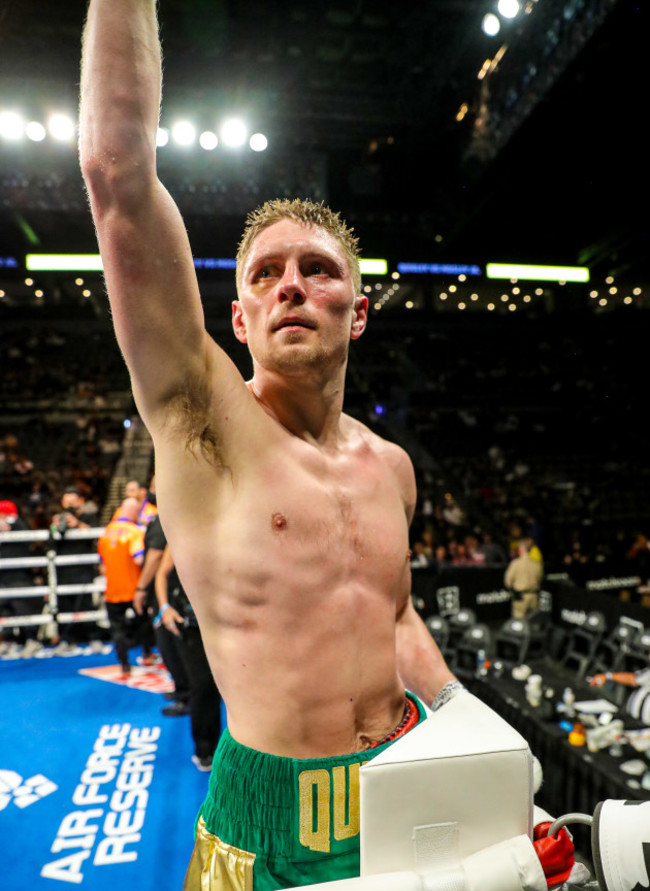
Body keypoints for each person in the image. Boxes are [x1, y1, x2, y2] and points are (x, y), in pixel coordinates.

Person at [78, 4, 475, 886]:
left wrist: (462, 718)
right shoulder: (204, 428)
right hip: (265, 820)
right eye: (266, 274)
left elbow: (395, 612)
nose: (292, 285)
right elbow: (115, 173)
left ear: (358, 311)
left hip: (402, 784)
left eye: (319, 270)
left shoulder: (392, 468)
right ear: (239, 317)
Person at [155, 544, 222, 771]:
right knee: (203, 684)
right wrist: (164, 608)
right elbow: (162, 573)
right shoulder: (181, 534)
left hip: (229, 621)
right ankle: (206, 749)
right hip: (191, 624)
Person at [96, 497, 151, 675]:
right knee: (144, 623)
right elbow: (138, 558)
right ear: (135, 512)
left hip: (112, 590)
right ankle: (147, 654)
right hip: (134, 589)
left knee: (117, 628)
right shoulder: (135, 532)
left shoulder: (106, 532)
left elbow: (102, 565)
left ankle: (124, 664)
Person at [505, 539, 543, 619]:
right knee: (533, 622)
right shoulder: (537, 564)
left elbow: (508, 581)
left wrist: (512, 591)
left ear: (521, 549)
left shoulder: (515, 564)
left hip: (520, 598)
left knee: (519, 623)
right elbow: (540, 578)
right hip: (534, 597)